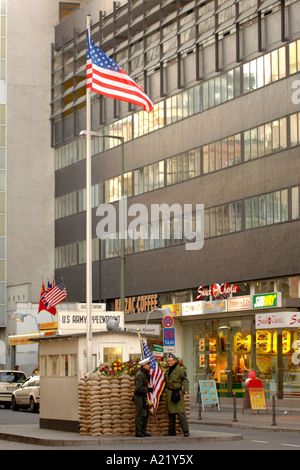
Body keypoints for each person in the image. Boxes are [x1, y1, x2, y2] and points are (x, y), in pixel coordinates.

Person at [164, 354, 190, 437]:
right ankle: (171, 431)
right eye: (168, 361)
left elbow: (185, 380)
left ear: (174, 361)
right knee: (171, 413)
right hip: (169, 393)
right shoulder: (167, 371)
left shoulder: (180, 370)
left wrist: (186, 390)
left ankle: (185, 431)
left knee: (180, 412)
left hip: (178, 392)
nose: (169, 362)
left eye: (171, 361)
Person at [134, 357, 153, 437]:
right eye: (148, 364)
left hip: (144, 396)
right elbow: (138, 388)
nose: (149, 365)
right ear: (144, 365)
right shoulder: (140, 375)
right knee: (140, 414)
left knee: (145, 414)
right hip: (139, 396)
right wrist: (147, 389)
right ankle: (138, 432)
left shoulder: (145, 373)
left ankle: (143, 431)